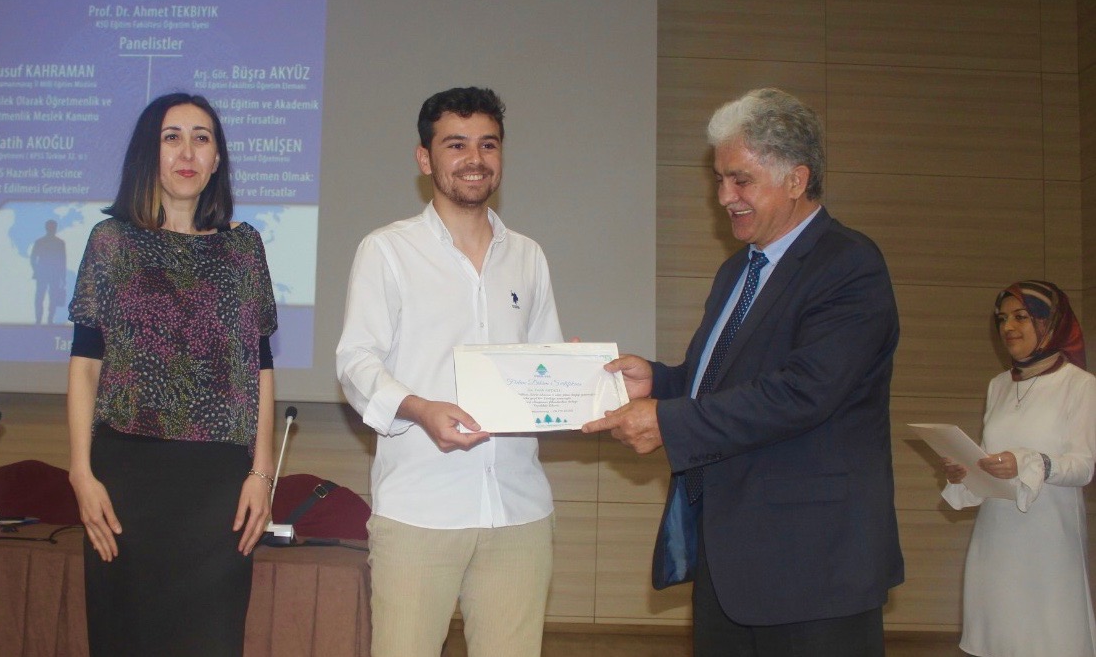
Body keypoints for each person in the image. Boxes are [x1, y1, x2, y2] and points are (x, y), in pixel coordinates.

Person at [583, 87, 903, 657]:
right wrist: (658, 382)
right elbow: (720, 383)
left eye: (741, 180)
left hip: (815, 568)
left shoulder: (849, 264)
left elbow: (802, 393)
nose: (724, 197)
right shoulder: (737, 272)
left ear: (797, 179)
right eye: (719, 180)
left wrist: (668, 423)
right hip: (731, 560)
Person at [336, 86, 563, 657]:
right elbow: (356, 363)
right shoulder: (387, 251)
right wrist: (420, 409)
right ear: (425, 158)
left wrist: (573, 376)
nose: (475, 158)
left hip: (518, 509)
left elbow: (545, 363)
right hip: (420, 509)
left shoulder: (528, 256)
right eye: (456, 144)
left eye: (488, 144)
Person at [66, 92, 277, 656]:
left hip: (218, 485)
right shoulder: (111, 242)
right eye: (172, 137)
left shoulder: (244, 248)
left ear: (216, 159)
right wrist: (82, 473)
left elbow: (259, 367)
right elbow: (86, 365)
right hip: (126, 479)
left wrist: (262, 474)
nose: (187, 151)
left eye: (201, 138)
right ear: (149, 153)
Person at [940, 281, 1096, 656]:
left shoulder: (1080, 385)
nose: (1008, 327)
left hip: (1049, 541)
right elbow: (990, 460)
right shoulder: (998, 385)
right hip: (996, 537)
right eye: (1002, 319)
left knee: (1049, 640)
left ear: (1049, 322)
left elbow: (1083, 467)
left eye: (1021, 317)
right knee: (1000, 639)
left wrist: (1030, 461)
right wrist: (966, 471)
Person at [31, 219, 67, 324]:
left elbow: (62, 260)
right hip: (47, 273)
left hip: (50, 274)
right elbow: (62, 261)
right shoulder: (57, 243)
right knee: (43, 297)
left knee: (48, 297)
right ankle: (43, 319)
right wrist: (37, 270)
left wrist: (36, 270)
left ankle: (45, 319)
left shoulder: (43, 242)